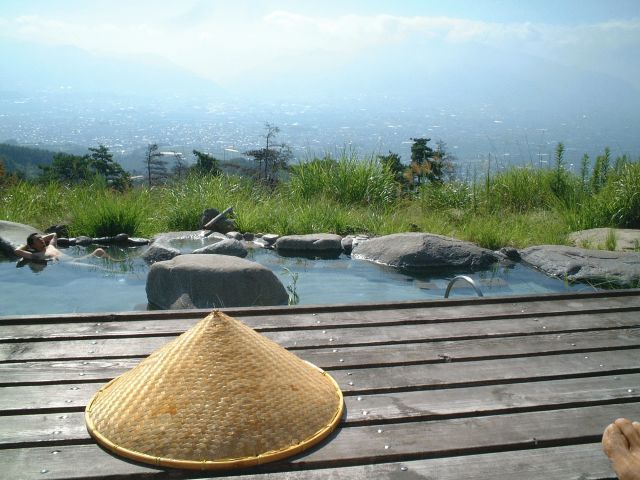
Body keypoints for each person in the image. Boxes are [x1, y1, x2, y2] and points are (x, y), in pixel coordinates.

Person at [14, 232, 109, 263]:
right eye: (38, 240)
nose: (41, 240)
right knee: (96, 267)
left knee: (99, 250)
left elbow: (54, 234)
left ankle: (117, 262)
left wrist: (40, 238)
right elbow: (17, 251)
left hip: (76, 260)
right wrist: (27, 245)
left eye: (41, 238)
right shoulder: (37, 255)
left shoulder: (51, 246)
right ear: (32, 245)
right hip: (69, 264)